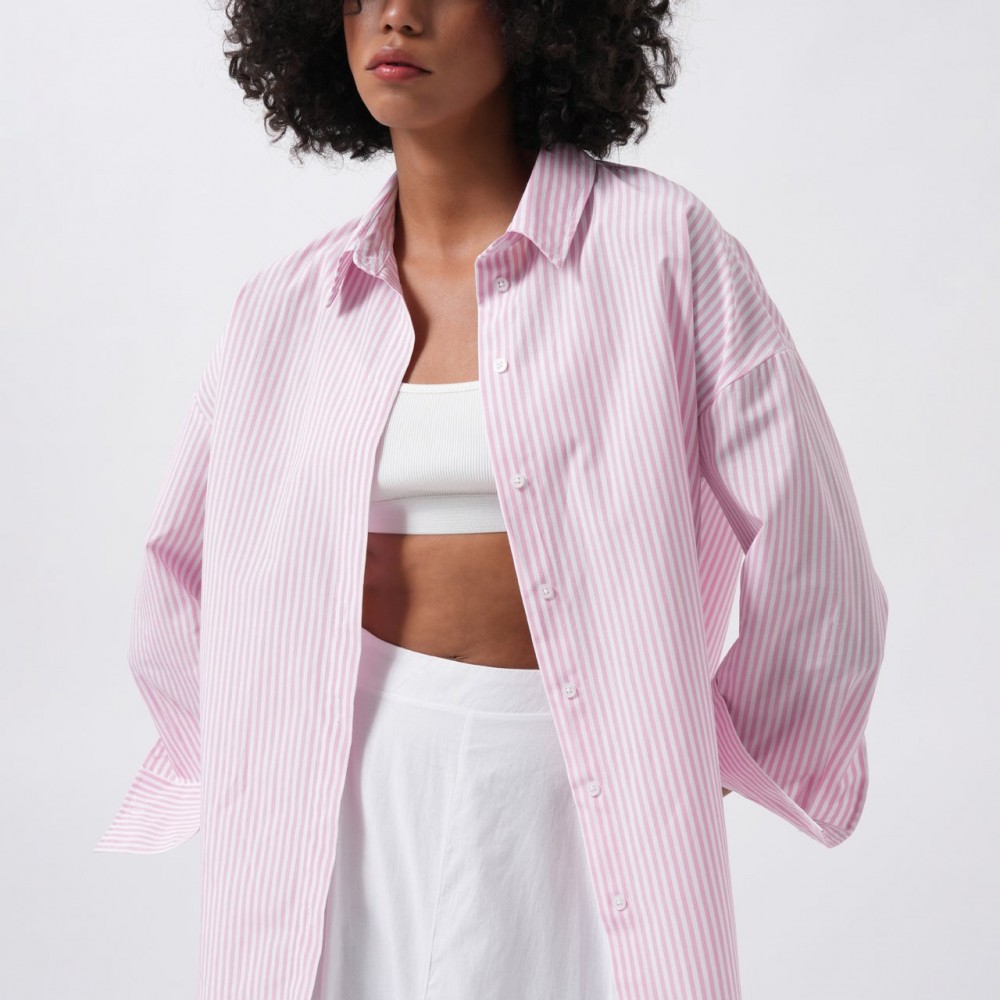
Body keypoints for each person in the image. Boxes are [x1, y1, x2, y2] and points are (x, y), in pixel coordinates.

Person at [94, 1, 889, 998]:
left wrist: (709, 753)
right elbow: (178, 576)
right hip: (341, 789)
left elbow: (816, 564)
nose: (396, 14)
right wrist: (247, 763)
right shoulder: (283, 308)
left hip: (574, 782)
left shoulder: (661, 250)